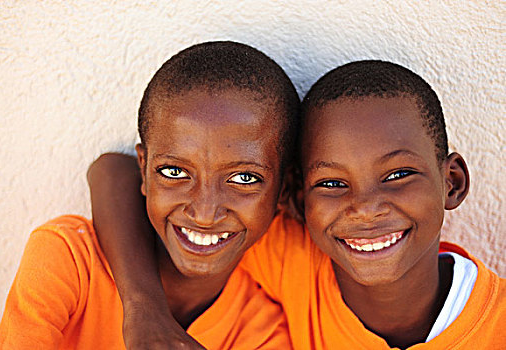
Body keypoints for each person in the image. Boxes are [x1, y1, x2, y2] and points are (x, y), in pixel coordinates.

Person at [87, 60, 505, 349]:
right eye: (332, 183)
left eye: (397, 175)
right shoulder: (295, 260)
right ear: (298, 201)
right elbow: (114, 172)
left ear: (451, 183)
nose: (365, 207)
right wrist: (145, 312)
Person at [0, 41, 301, 350]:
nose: (205, 213)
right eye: (174, 172)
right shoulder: (69, 261)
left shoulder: (260, 334)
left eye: (243, 178)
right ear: (143, 170)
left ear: (283, 191)